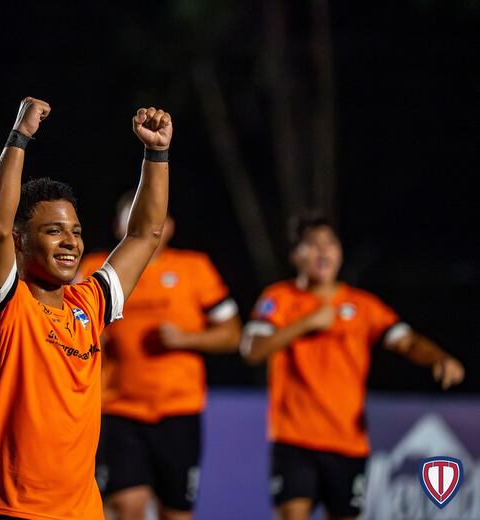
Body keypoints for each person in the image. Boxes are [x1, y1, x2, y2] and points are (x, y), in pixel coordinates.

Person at [0, 97, 172, 520]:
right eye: (53, 231)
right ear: (22, 242)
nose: (71, 242)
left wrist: (157, 153)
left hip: (78, 512)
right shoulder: (5, 306)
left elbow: (146, 234)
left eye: (75, 231)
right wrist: (19, 138)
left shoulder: (89, 304)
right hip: (5, 509)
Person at [240, 212, 465, 520]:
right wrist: (306, 323)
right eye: (313, 245)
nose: (323, 251)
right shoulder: (279, 299)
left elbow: (406, 340)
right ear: (296, 255)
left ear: (340, 253)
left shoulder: (363, 306)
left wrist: (438, 358)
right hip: (294, 438)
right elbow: (251, 350)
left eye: (330, 244)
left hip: (347, 441)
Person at [80, 194, 241, 520]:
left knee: (176, 513)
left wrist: (187, 339)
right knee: (127, 507)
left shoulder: (195, 268)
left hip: (178, 411)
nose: (143, 224)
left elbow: (233, 335)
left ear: (168, 227)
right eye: (132, 217)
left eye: (152, 218)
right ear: (118, 226)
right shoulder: (93, 269)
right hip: (119, 409)